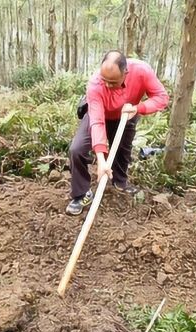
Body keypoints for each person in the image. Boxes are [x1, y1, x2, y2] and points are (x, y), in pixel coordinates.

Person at [66, 50, 170, 215]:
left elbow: (161, 98)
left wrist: (138, 108)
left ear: (125, 73)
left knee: (123, 149)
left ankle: (120, 183)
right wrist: (101, 159)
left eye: (113, 82)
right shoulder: (95, 84)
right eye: (105, 80)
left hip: (127, 114)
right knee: (76, 149)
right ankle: (81, 194)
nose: (107, 85)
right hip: (97, 114)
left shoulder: (142, 71)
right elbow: (97, 122)